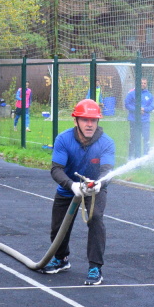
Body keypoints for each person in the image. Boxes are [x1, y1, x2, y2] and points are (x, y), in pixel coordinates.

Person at [42, 99, 115, 285]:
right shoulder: (63, 139)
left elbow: (108, 170)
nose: (89, 124)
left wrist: (99, 183)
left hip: (94, 189)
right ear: (76, 121)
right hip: (69, 189)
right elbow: (56, 169)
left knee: (96, 219)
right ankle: (61, 258)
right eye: (85, 120)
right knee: (58, 226)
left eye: (93, 120)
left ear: (98, 121)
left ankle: (95, 267)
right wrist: (71, 185)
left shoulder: (106, 143)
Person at [124, 77, 154, 158]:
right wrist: (137, 110)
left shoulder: (149, 95)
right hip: (134, 120)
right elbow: (127, 104)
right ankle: (130, 157)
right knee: (133, 139)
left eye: (144, 83)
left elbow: (152, 106)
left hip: (145, 121)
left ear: (146, 84)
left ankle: (146, 157)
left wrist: (144, 109)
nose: (143, 84)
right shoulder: (131, 93)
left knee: (146, 139)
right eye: (141, 83)